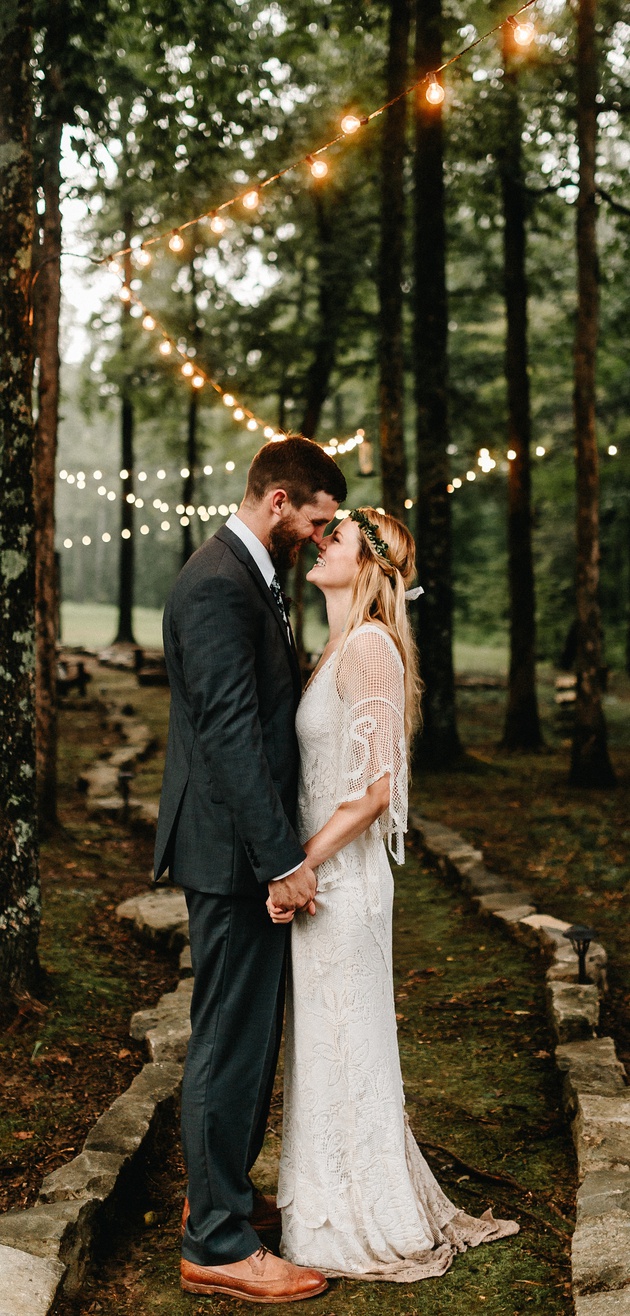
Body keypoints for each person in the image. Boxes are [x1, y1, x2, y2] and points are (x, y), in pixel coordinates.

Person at [268, 507, 519, 1280]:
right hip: (320, 876)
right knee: (319, 1043)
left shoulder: (372, 648)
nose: (320, 539)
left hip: (338, 881)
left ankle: (360, 1211)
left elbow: (378, 790)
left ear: (371, 564)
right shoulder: (338, 648)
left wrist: (294, 863)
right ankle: (320, 1203)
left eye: (335, 536)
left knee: (345, 1041)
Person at [154, 436, 346, 1303]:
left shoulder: (250, 574)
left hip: (243, 851)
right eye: (314, 519)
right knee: (229, 1040)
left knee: (246, 1035)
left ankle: (222, 1192)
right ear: (279, 502)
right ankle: (218, 1243)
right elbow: (230, 737)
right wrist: (281, 863)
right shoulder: (215, 584)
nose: (317, 535)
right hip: (233, 855)